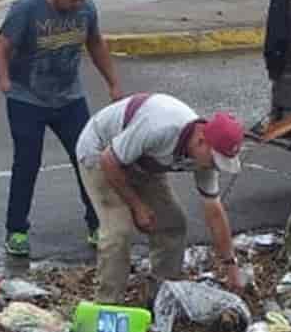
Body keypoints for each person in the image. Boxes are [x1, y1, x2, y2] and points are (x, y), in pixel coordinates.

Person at [0, 0, 123, 258]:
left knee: (88, 157)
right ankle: (16, 230)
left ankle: (96, 223)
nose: (79, 4)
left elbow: (95, 43)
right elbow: (2, 47)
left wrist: (113, 82)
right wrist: (4, 82)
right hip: (27, 98)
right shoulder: (27, 8)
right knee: (27, 163)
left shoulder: (86, 9)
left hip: (69, 97)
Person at [75, 93, 247, 304]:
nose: (215, 167)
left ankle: (161, 296)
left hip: (143, 159)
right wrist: (137, 207)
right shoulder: (160, 127)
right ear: (202, 140)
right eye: (215, 160)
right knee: (118, 232)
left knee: (173, 224)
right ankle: (107, 305)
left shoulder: (206, 157)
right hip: (100, 151)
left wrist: (231, 266)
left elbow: (214, 211)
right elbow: (109, 161)